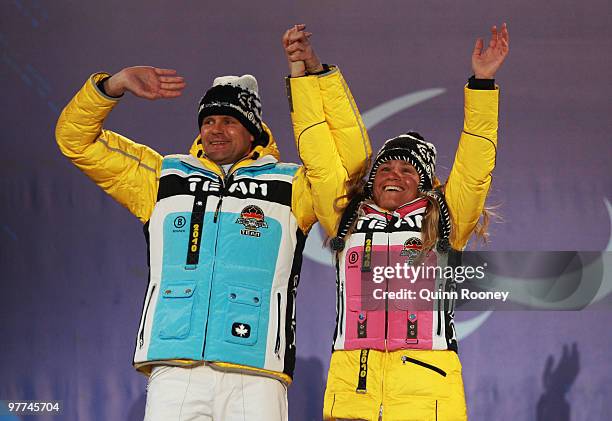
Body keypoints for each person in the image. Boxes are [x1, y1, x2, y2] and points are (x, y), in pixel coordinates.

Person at [55, 30, 370, 420]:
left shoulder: (292, 184)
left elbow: (353, 169)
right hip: (174, 366)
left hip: (256, 372)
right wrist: (112, 85)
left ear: (253, 130)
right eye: (209, 120)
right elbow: (75, 141)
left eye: (229, 121)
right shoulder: (162, 177)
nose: (215, 130)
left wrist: (313, 75)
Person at [285, 23, 509, 420]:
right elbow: (318, 152)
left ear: (425, 187)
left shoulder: (443, 220)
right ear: (371, 181)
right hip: (353, 392)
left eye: (409, 170)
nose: (393, 174)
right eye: (385, 167)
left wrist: (483, 83)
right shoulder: (347, 218)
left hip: (428, 397)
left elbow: (475, 166)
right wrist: (305, 76)